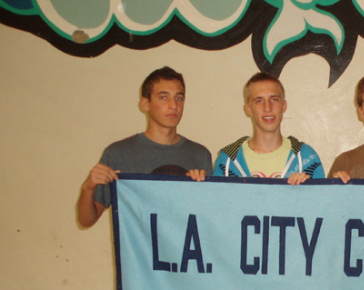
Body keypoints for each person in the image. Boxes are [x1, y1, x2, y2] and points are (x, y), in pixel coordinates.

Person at [76, 66, 212, 228]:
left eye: (179, 98)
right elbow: (86, 221)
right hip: (137, 252)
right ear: (145, 104)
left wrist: (201, 190)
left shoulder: (199, 154)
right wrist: (88, 187)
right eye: (163, 98)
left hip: (184, 252)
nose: (173, 105)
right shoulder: (118, 153)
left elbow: (209, 219)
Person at [213, 72, 324, 184]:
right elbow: (216, 200)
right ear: (249, 109)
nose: (267, 108)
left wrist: (307, 189)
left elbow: (322, 199)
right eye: (259, 101)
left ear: (284, 106)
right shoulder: (227, 162)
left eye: (274, 99)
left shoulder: (307, 158)